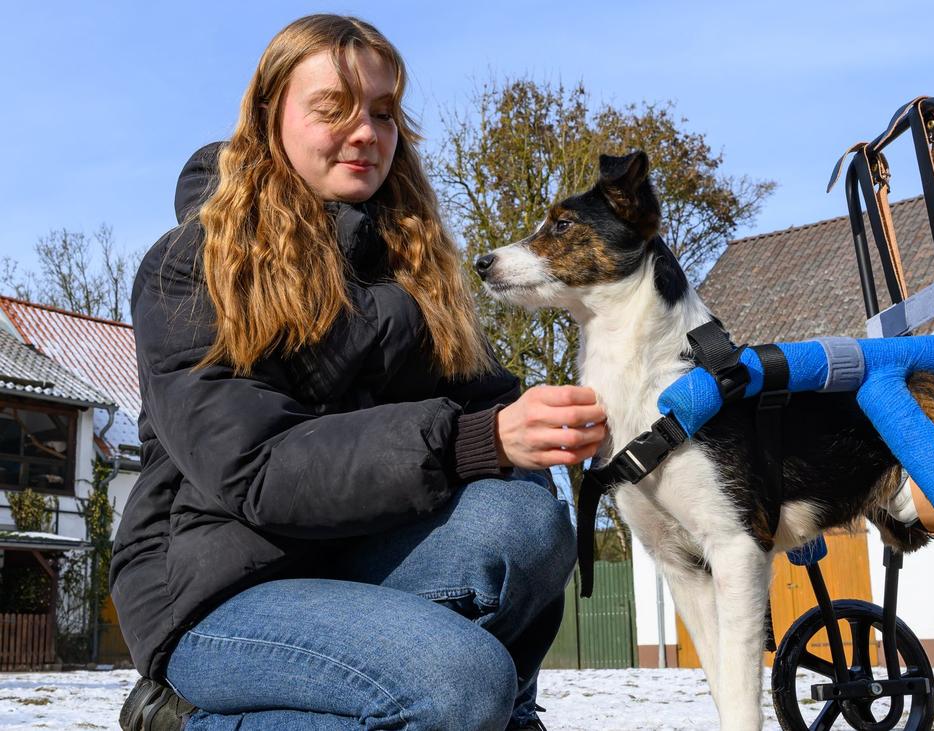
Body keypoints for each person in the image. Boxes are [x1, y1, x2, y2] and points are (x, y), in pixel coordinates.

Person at [111, 14, 606, 731]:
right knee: (459, 681)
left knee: (528, 523)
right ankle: (184, 720)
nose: (366, 132)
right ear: (269, 117)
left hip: (352, 562)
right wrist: (476, 440)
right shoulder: (193, 265)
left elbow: (493, 410)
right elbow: (257, 470)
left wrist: (581, 416)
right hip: (215, 591)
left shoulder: (413, 266)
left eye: (382, 111)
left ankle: (506, 719)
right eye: (332, 108)